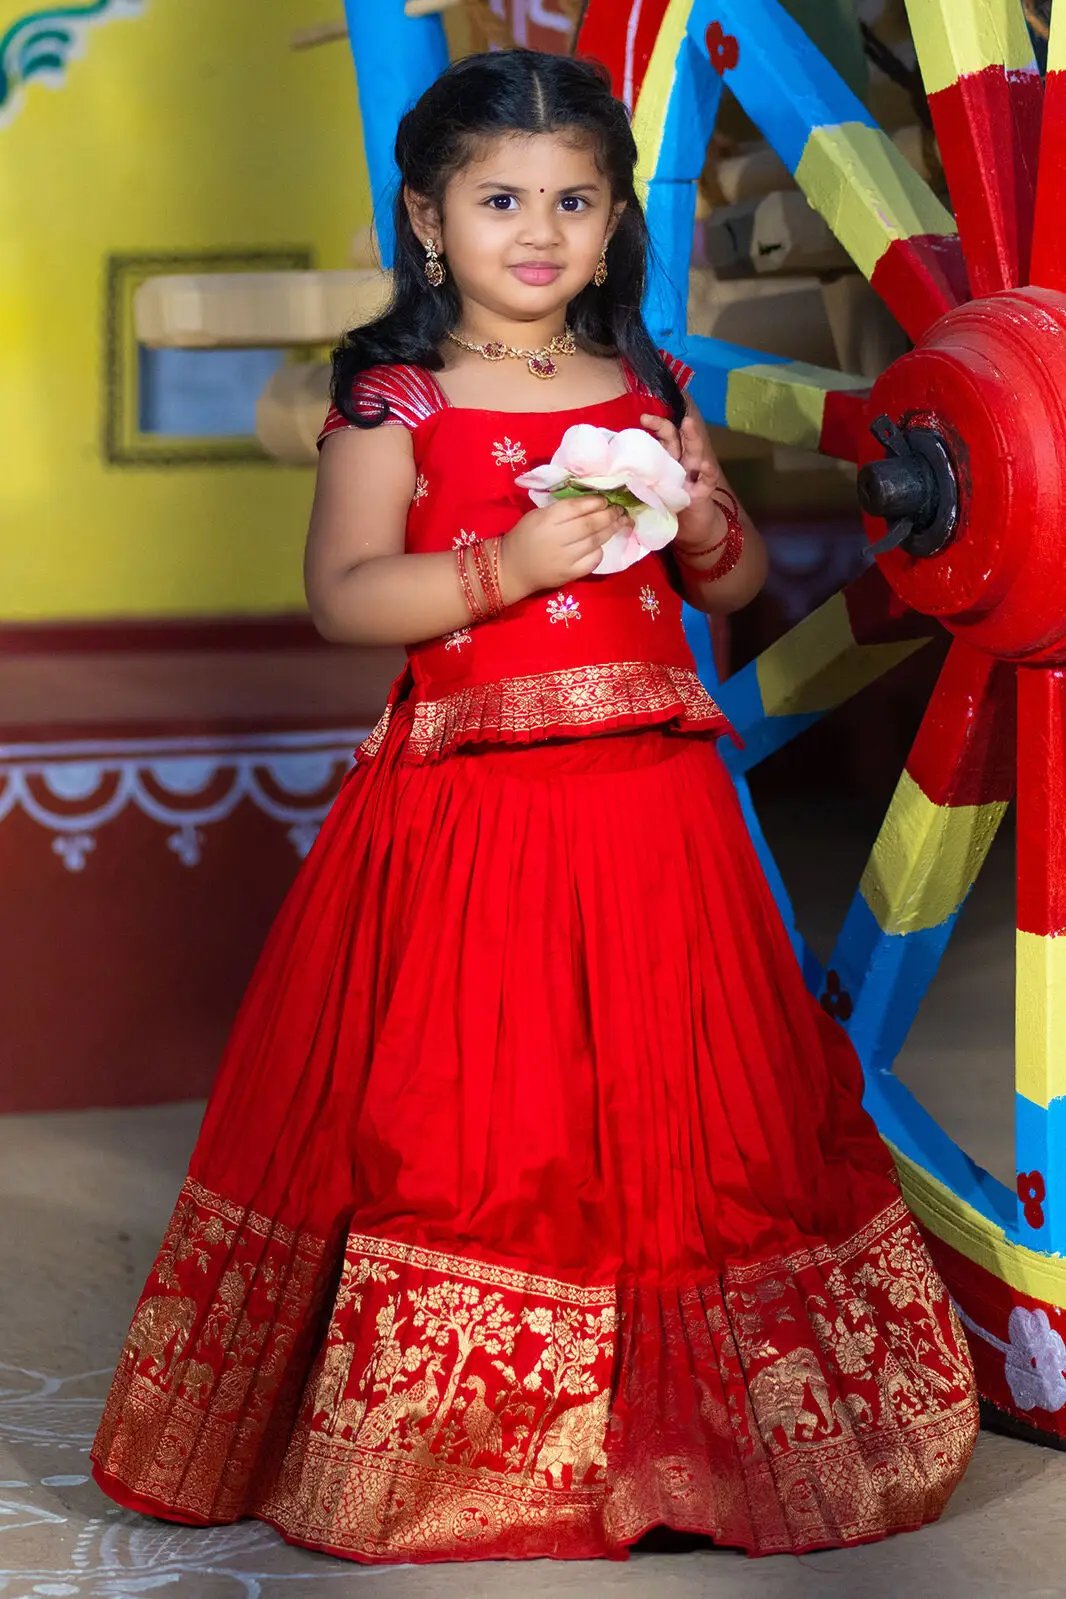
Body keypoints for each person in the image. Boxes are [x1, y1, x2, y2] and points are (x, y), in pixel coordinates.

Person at [91, 47, 978, 1565]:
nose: (539, 230)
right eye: (500, 197)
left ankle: (686, 1447)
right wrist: (515, 566)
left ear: (614, 219)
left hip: (654, 809)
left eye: (575, 199)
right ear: (429, 220)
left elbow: (738, 585)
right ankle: (481, 1451)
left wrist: (697, 511)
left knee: (681, 1115)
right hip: (472, 816)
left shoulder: (646, 385)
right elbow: (345, 598)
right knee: (480, 1120)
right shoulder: (399, 396)